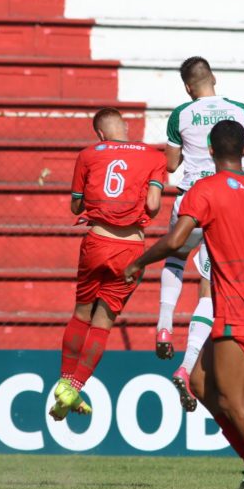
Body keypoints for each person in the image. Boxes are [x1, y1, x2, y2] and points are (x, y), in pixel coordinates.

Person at [125, 120, 244, 489]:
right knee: (200, 384)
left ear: (210, 151)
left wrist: (138, 262)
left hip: (242, 311)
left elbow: (176, 241)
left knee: (235, 400)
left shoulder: (205, 190)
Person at [158, 56, 244, 414]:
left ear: (187, 87)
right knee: (210, 287)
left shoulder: (181, 114)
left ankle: (164, 326)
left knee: (176, 257)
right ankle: (187, 364)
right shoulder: (241, 111)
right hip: (231, 202)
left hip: (192, 197)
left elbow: (170, 165)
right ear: (214, 79)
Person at [49, 107, 166, 420]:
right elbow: (153, 206)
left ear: (100, 134)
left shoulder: (88, 155)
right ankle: (75, 386)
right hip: (131, 249)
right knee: (103, 323)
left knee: (81, 314)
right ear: (125, 127)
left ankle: (64, 381)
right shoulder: (154, 156)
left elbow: (76, 206)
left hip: (97, 242)